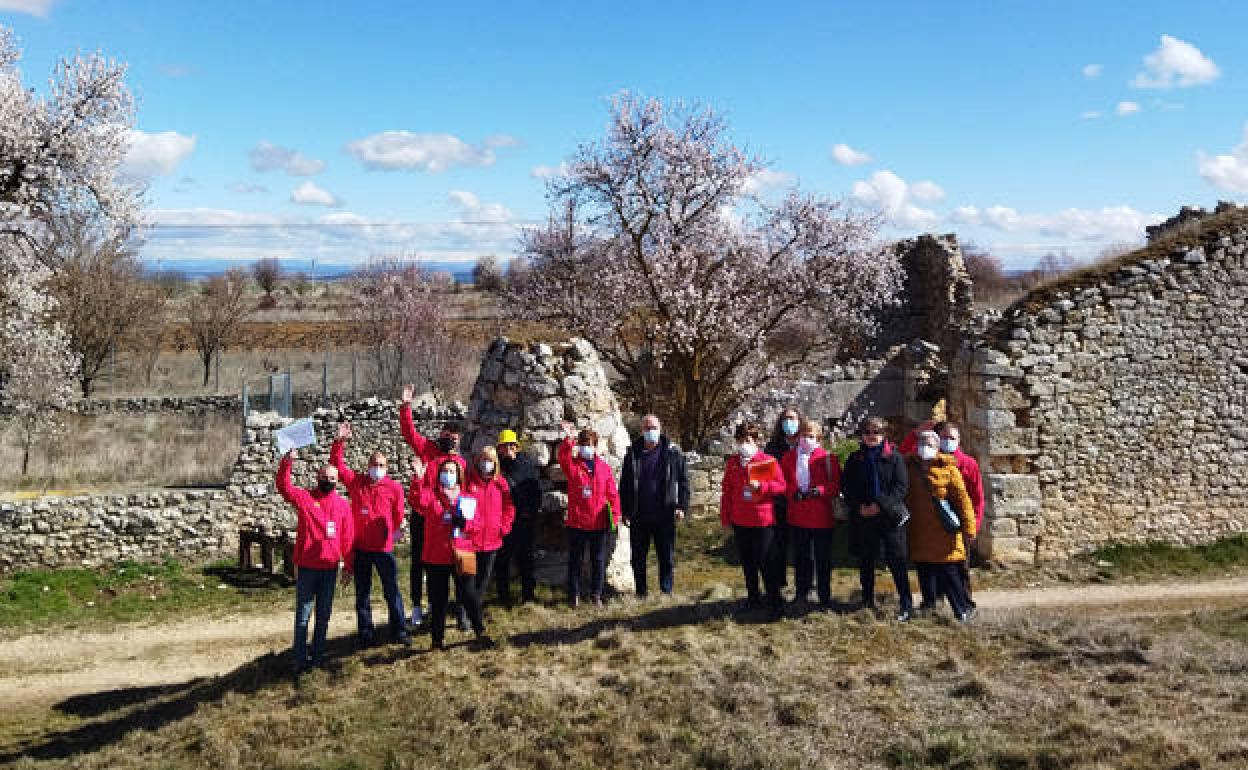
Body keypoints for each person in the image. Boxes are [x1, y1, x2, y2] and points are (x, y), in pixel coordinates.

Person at [331, 422, 410, 647]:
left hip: (384, 550)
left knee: (391, 591)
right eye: (374, 464)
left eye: (382, 465)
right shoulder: (357, 483)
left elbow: (398, 517)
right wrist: (340, 442)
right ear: (368, 466)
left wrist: (391, 537)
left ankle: (400, 630)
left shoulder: (394, 488)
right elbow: (337, 465)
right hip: (362, 549)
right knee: (362, 593)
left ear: (387, 468)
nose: (378, 468)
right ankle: (365, 633)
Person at [275, 449, 354, 674]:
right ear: (317, 477)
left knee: (323, 616)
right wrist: (287, 462)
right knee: (303, 616)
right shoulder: (306, 498)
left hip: (329, 569)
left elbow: (347, 538)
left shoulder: (342, 505)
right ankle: (300, 659)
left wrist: (348, 566)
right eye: (324, 477)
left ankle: (318, 657)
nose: (327, 481)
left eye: (332, 479)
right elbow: (284, 487)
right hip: (308, 568)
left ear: (337, 482)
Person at [398, 384, 467, 628]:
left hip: (450, 519)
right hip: (423, 515)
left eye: (455, 439)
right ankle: (417, 606)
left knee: (454, 561)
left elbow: (466, 489)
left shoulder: (459, 462)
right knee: (419, 561)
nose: (450, 442)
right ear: (441, 434)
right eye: (447, 437)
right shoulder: (427, 449)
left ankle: (456, 609)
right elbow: (408, 432)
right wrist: (406, 406)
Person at [411, 457, 489, 649]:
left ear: (459, 475)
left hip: (461, 553)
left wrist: (465, 523)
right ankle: (437, 640)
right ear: (439, 475)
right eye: (445, 471)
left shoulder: (468, 498)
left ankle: (480, 631)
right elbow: (416, 501)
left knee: (469, 594)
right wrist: (419, 479)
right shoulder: (431, 496)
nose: (448, 475)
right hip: (436, 556)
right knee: (438, 599)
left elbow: (478, 524)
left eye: (452, 471)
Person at [842, 416, 914, 621]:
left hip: (889, 519)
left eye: (876, 432)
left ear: (884, 435)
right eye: (867, 432)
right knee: (866, 561)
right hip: (864, 518)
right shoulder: (855, 459)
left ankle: (906, 603)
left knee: (896, 561)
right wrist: (859, 506)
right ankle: (866, 600)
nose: (872, 436)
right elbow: (847, 487)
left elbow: (900, 487)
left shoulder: (895, 458)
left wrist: (880, 505)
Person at [904, 430, 977, 621]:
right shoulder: (909, 466)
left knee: (950, 572)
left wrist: (970, 528)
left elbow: (963, 500)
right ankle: (929, 606)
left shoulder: (949, 469)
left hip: (943, 531)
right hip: (919, 530)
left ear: (937, 448)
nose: (925, 447)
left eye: (929, 444)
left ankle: (961, 609)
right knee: (924, 569)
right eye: (922, 442)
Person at [720, 421, 787, 620]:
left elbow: (781, 487)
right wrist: (726, 517)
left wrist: (763, 487)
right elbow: (727, 491)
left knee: (767, 562)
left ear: (756, 441)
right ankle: (753, 598)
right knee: (748, 562)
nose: (744, 443)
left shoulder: (766, 461)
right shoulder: (733, 463)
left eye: (748, 439)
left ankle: (774, 601)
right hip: (740, 520)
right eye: (741, 440)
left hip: (762, 520)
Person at [619, 414, 690, 598]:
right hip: (638, 515)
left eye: (654, 428)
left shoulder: (673, 453)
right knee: (638, 559)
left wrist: (682, 506)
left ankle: (666, 591)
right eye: (647, 428)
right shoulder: (632, 454)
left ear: (660, 429)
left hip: (665, 514)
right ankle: (641, 592)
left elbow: (683, 482)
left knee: (666, 556)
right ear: (642, 430)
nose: (651, 431)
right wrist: (625, 511)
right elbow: (625, 484)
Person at [557, 421, 622, 607]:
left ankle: (596, 594)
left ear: (595, 446)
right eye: (583, 444)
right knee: (575, 561)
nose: (587, 447)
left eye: (590, 444)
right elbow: (563, 457)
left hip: (598, 523)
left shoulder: (604, 468)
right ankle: (573, 595)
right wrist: (569, 439)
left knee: (598, 560)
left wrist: (615, 515)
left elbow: (612, 494)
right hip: (577, 523)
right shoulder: (573, 466)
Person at [780, 419, 841, 610]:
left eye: (811, 436)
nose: (806, 439)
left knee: (822, 558)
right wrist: (792, 492)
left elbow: (836, 485)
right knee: (801, 557)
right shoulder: (788, 457)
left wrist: (821, 490)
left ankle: (824, 596)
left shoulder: (828, 459)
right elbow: (782, 482)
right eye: (804, 435)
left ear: (819, 438)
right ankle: (801, 593)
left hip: (821, 516)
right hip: (798, 514)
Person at [935, 421, 984, 607]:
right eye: (944, 437)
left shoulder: (969, 464)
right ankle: (937, 603)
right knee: (937, 564)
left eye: (951, 438)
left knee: (961, 566)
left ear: (958, 440)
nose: (947, 441)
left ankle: (965, 602)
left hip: (962, 523)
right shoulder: (931, 462)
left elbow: (977, 498)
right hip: (937, 523)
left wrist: (974, 525)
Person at [494, 429, 543, 605]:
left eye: (511, 445)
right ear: (499, 448)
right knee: (502, 560)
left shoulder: (526, 466)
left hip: (523, 521)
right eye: (504, 446)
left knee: (526, 559)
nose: (508, 449)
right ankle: (503, 596)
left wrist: (530, 512)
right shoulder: (495, 467)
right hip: (502, 522)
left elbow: (536, 491)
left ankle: (528, 595)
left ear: (516, 447)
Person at [465, 445, 515, 604]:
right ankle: (463, 614)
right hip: (470, 541)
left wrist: (504, 527)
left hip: (492, 541)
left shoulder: (501, 483)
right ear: (478, 461)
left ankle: (476, 610)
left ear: (495, 463)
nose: (487, 463)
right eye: (484, 459)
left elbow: (509, 507)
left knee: (483, 579)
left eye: (490, 460)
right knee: (467, 579)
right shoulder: (468, 481)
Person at [763, 407, 802, 590]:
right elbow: (766, 476)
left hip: (802, 503)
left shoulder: (805, 444)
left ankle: (805, 586)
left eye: (793, 418)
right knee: (778, 546)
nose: (789, 422)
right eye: (786, 419)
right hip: (779, 503)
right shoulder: (772, 447)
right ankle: (779, 583)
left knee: (803, 547)